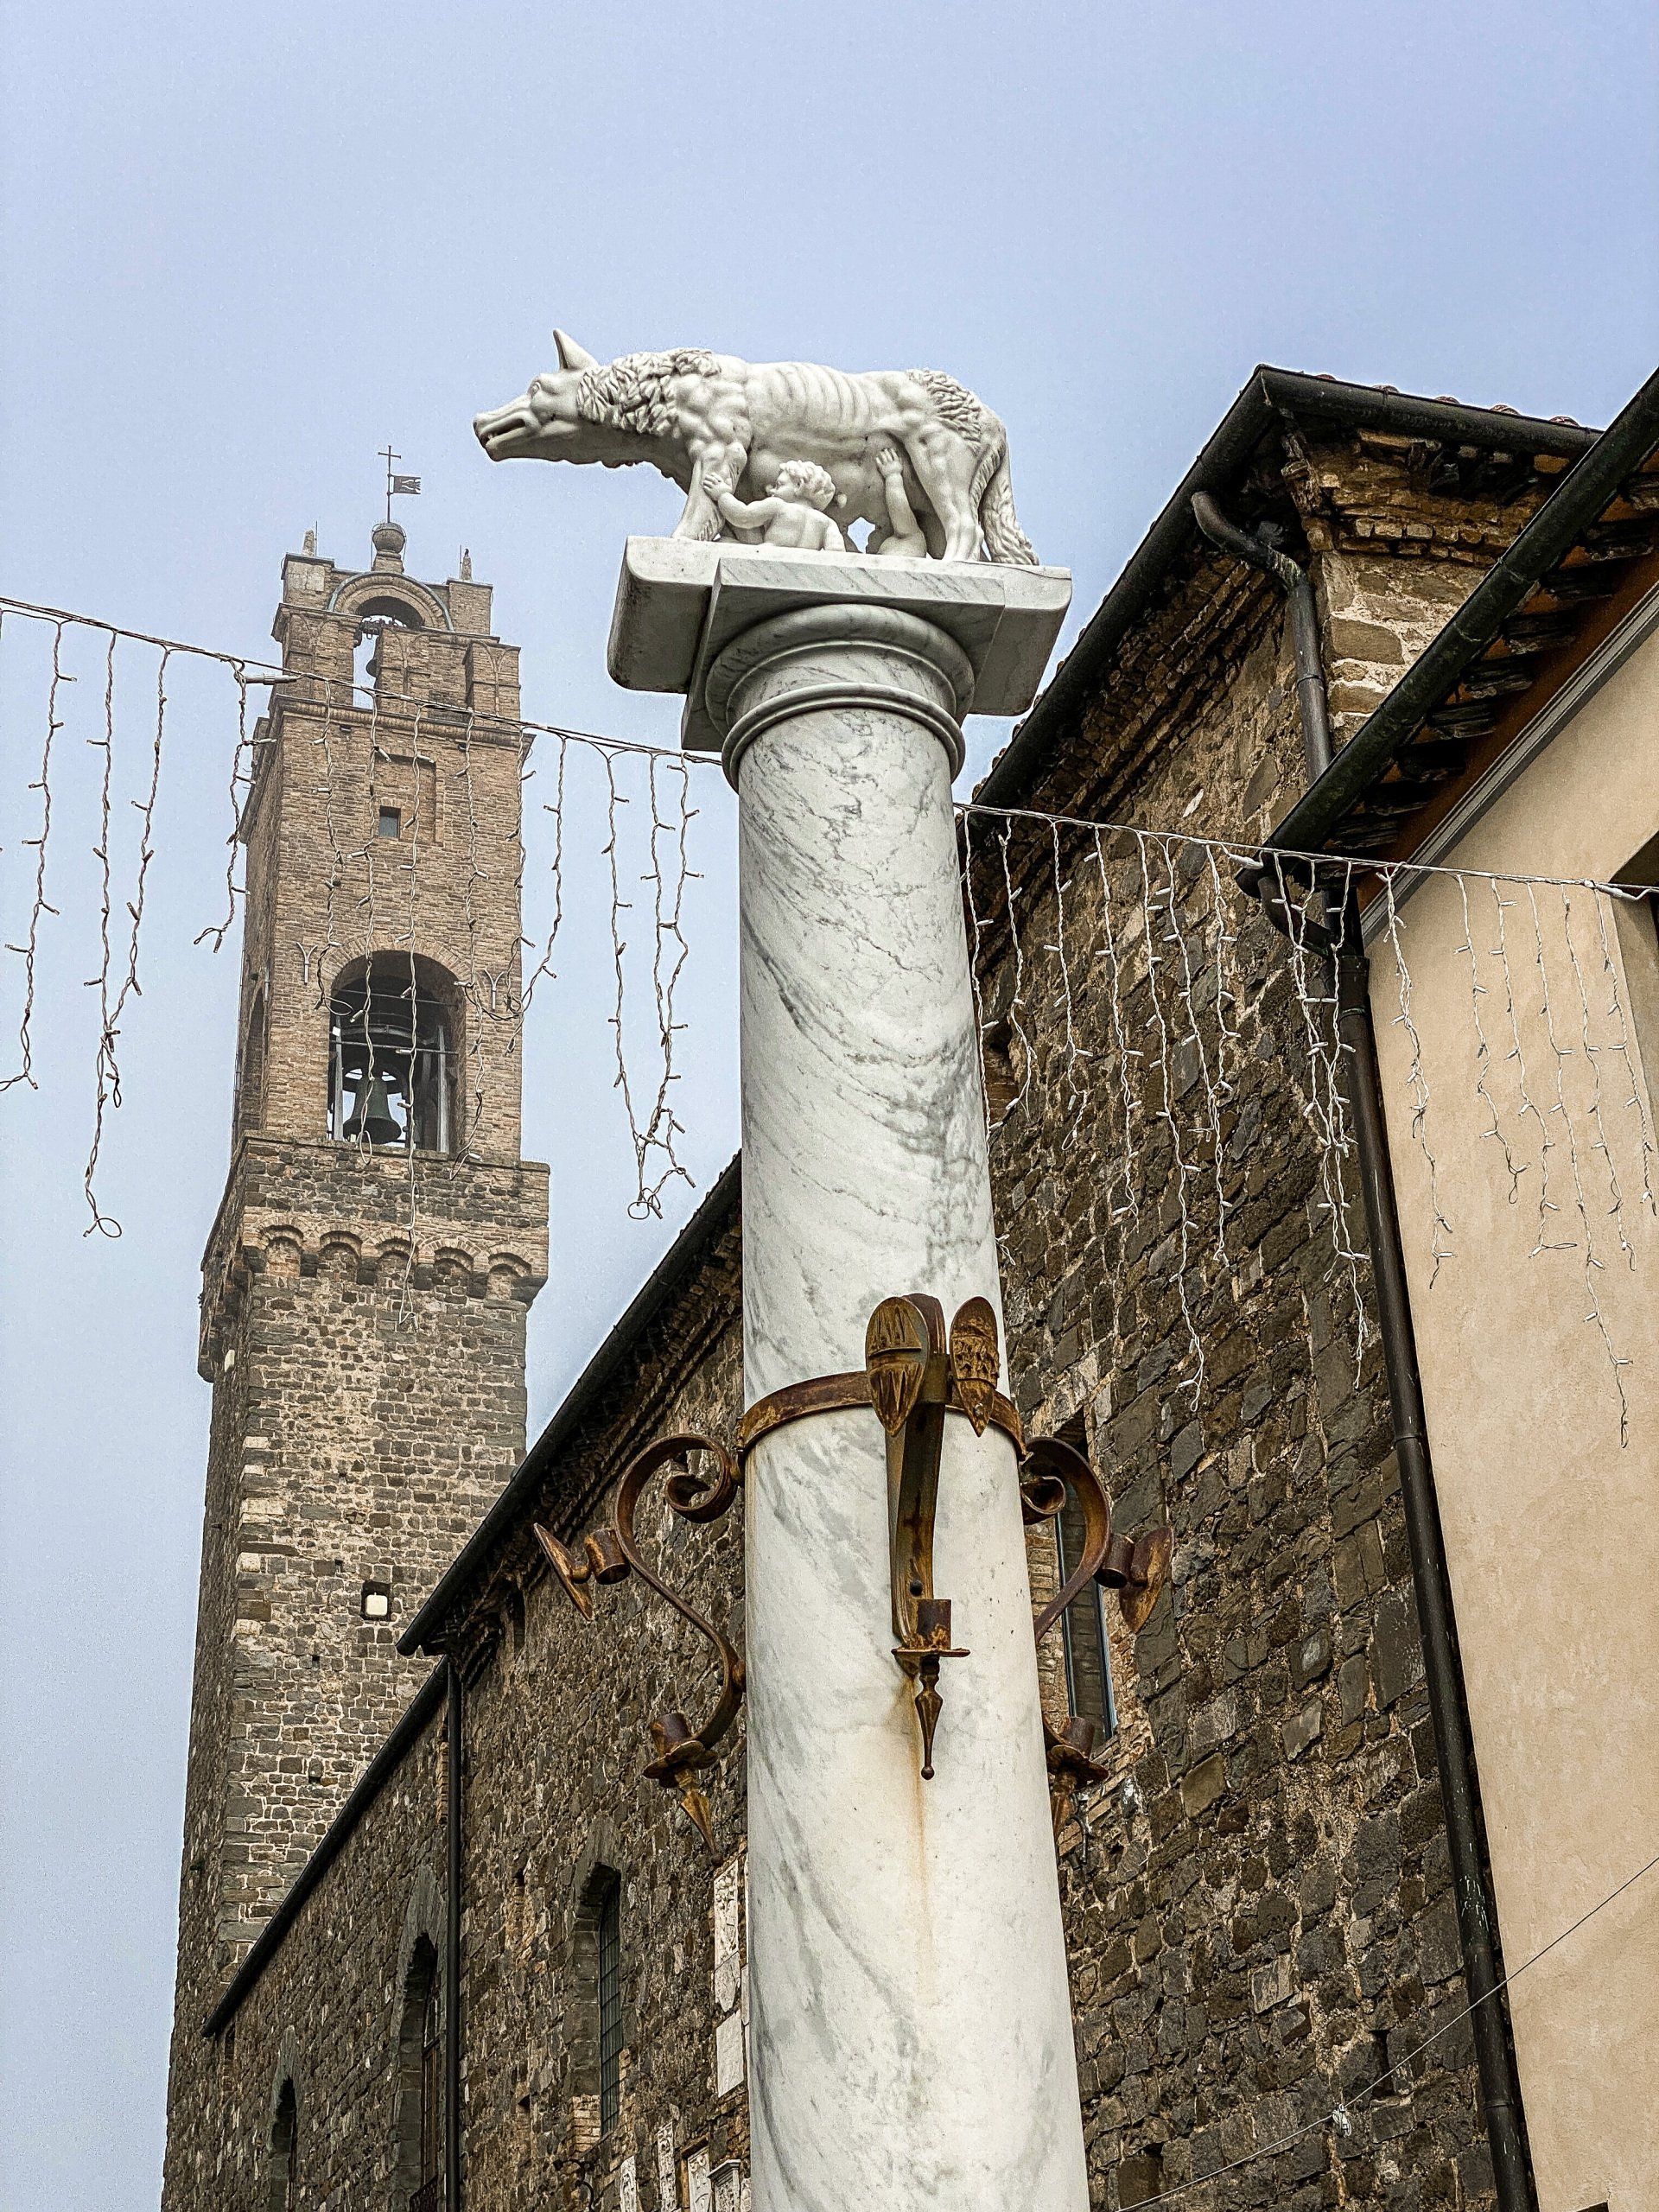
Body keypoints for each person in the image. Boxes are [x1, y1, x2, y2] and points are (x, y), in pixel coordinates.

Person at [712, 460, 845, 550]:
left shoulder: (779, 506)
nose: (772, 491)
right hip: (804, 572)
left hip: (769, 560)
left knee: (724, 543)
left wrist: (722, 494)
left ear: (798, 486)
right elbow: (836, 551)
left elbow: (743, 516)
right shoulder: (827, 522)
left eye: (779, 485)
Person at [868, 443, 929, 558]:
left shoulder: (910, 537)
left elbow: (899, 510)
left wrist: (893, 477)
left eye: (879, 527)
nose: (870, 537)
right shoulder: (907, 540)